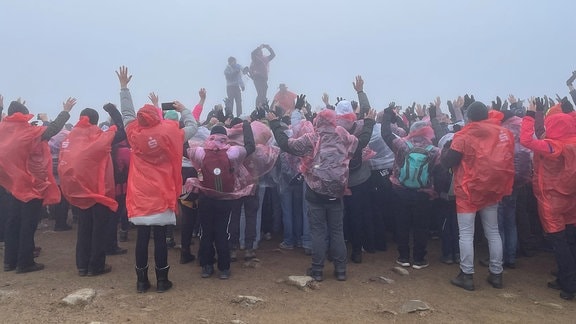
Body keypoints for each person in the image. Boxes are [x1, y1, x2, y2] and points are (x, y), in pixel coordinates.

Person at [267, 94, 375, 282]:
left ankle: (317, 270)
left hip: (315, 191)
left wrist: (275, 123)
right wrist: (370, 122)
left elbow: (286, 145)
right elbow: (362, 142)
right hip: (337, 190)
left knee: (317, 231)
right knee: (336, 231)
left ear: (317, 121)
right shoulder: (342, 134)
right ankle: (341, 270)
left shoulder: (312, 138)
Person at [116, 66, 198, 292]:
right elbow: (193, 126)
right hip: (162, 193)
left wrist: (124, 88)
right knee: (161, 236)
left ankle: (141, 282)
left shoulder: (134, 133)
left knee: (142, 237)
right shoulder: (170, 133)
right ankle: (162, 280)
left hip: (141, 194)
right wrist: (184, 109)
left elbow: (127, 115)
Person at [442, 101, 515, 291]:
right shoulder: (503, 133)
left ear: (470, 117)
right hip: (493, 189)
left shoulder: (463, 134)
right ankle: (496, 274)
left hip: (468, 189)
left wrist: (445, 150)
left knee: (466, 233)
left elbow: (448, 161)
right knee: (493, 231)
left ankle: (467, 275)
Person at [0, 97, 75, 273]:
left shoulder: (3, 129)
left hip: (11, 185)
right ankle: (25, 262)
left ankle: (9, 261)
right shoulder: (28, 133)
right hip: (30, 186)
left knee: (13, 223)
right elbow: (53, 129)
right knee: (28, 224)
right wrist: (66, 111)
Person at [58, 105, 124, 276]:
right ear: (95, 121)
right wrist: (113, 111)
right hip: (99, 191)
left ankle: (82, 265)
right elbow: (121, 131)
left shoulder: (70, 137)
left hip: (79, 190)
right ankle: (96, 266)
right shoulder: (100, 136)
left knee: (84, 228)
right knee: (98, 229)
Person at [520, 99, 576, 300]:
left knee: (558, 243)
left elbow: (527, 141)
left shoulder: (553, 147)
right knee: (571, 240)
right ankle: (565, 277)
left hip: (551, 198)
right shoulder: (573, 141)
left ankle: (569, 284)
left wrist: (529, 115)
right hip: (571, 198)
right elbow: (570, 120)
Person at [187, 122, 256, 279]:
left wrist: (183, 122)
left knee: (206, 232)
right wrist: (246, 126)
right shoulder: (233, 152)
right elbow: (251, 146)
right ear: (225, 136)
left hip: (206, 197)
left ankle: (207, 266)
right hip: (226, 199)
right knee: (223, 232)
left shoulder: (200, 152)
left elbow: (183, 147)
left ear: (210, 135)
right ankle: (224, 268)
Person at [381, 106, 440, 270]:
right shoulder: (434, 151)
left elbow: (385, 134)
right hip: (424, 192)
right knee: (421, 226)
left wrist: (387, 115)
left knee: (402, 223)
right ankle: (420, 259)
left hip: (401, 190)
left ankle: (404, 257)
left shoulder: (402, 145)